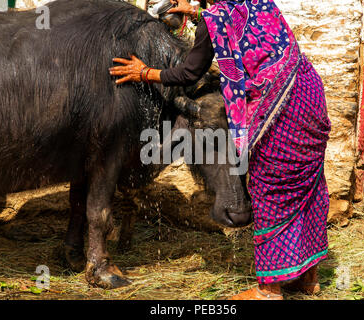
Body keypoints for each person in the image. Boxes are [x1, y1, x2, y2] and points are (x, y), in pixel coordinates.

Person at [109, 0, 331, 300]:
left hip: (279, 111)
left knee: (271, 190)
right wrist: (196, 14)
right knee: (307, 187)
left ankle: (269, 290)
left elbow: (189, 74)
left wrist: (145, 72)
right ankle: (308, 280)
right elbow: (234, 20)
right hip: (308, 92)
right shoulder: (261, 3)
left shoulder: (213, 20)